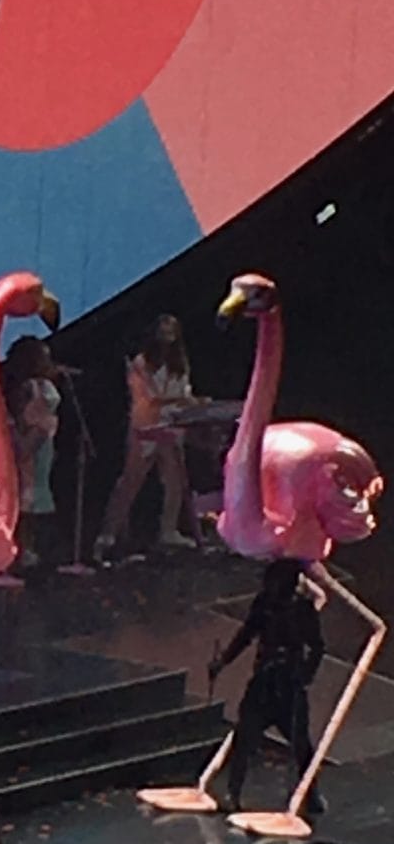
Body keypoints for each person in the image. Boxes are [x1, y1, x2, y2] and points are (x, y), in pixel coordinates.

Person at [212, 558, 326, 814]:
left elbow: (317, 647)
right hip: (264, 679)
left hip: (289, 683)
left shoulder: (302, 608)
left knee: (300, 743)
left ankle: (311, 792)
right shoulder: (264, 604)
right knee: (244, 736)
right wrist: (224, 661)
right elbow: (247, 633)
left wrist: (305, 676)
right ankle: (233, 792)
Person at [94, 314, 199, 558]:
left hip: (172, 426)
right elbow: (148, 397)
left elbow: (185, 391)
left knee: (175, 481)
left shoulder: (179, 364)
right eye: (163, 332)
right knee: (131, 481)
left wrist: (192, 402)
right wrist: (181, 399)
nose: (167, 338)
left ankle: (168, 530)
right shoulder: (141, 363)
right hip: (146, 428)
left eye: (171, 333)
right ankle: (109, 533)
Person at [4, 334, 60, 570]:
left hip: (45, 439)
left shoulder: (46, 384)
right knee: (27, 494)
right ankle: (22, 548)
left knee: (39, 489)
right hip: (31, 437)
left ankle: (32, 547)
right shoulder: (26, 387)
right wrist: (22, 440)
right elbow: (19, 417)